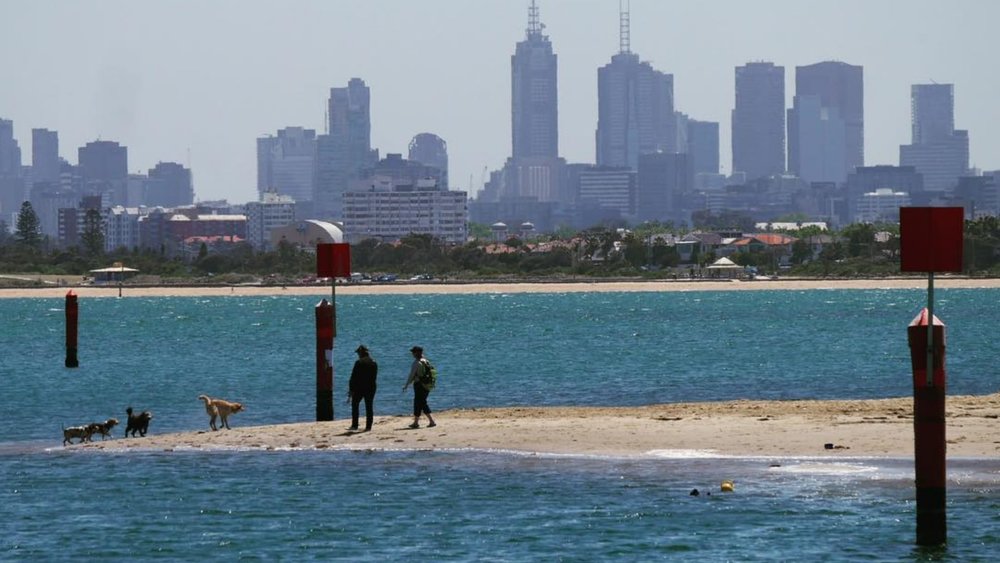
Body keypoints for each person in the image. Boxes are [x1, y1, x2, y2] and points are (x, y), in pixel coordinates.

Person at [402, 345, 436, 429]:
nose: (412, 354)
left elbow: (411, 375)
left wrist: (406, 385)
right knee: (421, 402)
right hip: (427, 385)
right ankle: (417, 422)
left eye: (413, 352)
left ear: (417, 353)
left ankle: (430, 421)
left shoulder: (416, 363)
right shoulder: (426, 361)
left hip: (419, 385)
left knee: (419, 403)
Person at [348, 345, 378, 431]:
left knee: (355, 405)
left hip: (359, 388)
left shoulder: (358, 363)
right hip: (371, 387)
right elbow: (374, 377)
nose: (358, 355)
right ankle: (368, 427)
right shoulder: (374, 363)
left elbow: (353, 377)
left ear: (360, 354)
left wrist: (351, 389)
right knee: (369, 406)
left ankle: (355, 425)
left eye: (358, 353)